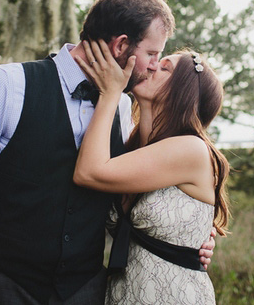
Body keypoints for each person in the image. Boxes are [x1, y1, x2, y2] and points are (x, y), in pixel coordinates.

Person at [0, 0, 214, 305]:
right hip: (1, 286)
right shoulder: (5, 86)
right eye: (152, 54)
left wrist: (190, 238)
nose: (154, 65)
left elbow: (141, 196)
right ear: (121, 45)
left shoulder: (123, 107)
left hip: (84, 291)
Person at [72, 39, 230, 304]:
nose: (153, 66)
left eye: (166, 68)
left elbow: (88, 172)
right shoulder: (128, 150)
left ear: (184, 92)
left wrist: (111, 92)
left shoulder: (190, 150)